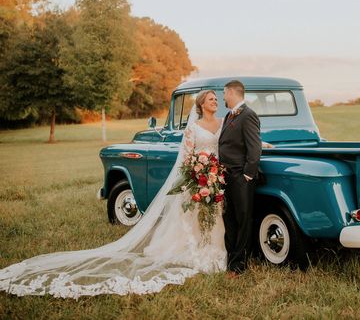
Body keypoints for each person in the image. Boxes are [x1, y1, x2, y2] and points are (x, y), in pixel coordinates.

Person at [0, 90, 227, 298]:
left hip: (214, 175)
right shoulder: (193, 126)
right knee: (191, 215)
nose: (215, 101)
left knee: (213, 214)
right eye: (211, 99)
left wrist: (213, 172)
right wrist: (198, 172)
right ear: (201, 104)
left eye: (216, 99)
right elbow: (187, 156)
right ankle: (192, 249)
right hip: (197, 176)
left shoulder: (221, 122)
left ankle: (212, 248)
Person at [218, 79, 261, 275]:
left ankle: (240, 266)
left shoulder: (248, 115)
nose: (223, 97)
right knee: (230, 220)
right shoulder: (228, 115)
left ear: (232, 93)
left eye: (225, 93)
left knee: (243, 220)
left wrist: (247, 176)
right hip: (226, 176)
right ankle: (231, 262)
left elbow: (254, 148)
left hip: (240, 178)